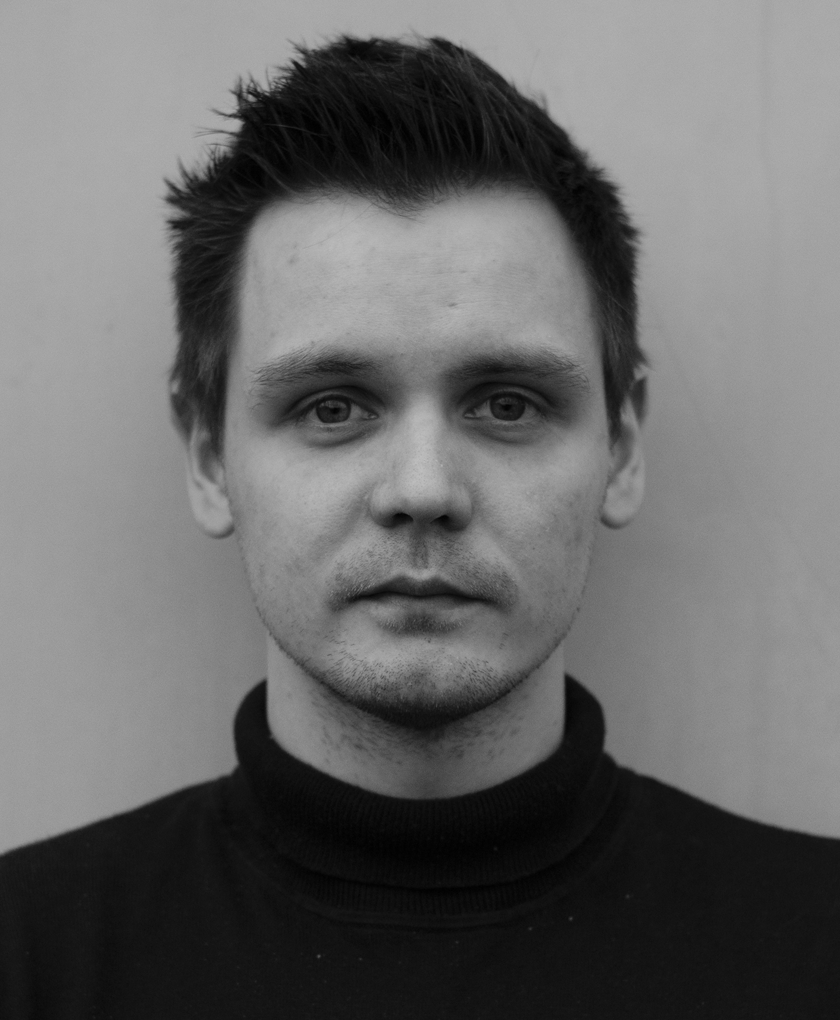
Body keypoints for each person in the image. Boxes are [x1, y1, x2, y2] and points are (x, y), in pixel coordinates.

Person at [1, 34, 838, 1018]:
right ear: (207, 455)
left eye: (508, 404)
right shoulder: (29, 960)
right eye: (332, 407)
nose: (425, 488)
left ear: (621, 445)